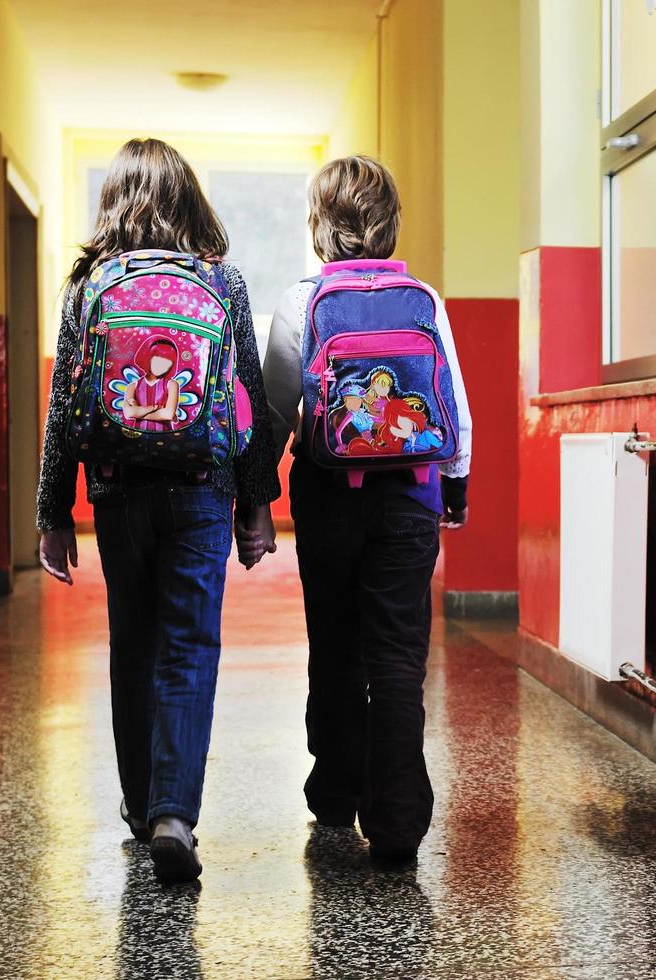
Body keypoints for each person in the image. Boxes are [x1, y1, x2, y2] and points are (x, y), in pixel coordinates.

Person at [36, 138, 279, 884]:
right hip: (201, 486)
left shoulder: (90, 285)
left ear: (114, 204)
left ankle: (141, 807)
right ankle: (176, 812)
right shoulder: (222, 281)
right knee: (188, 644)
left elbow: (65, 406)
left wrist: (54, 509)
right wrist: (255, 503)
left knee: (131, 642)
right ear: (189, 202)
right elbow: (247, 398)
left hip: (117, 488)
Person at [262, 156, 472, 862]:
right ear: (391, 221)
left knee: (334, 643)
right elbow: (452, 406)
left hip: (327, 497)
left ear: (318, 224)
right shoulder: (423, 298)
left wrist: (254, 493)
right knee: (396, 656)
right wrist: (457, 482)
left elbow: (274, 409)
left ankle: (335, 791)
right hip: (409, 497)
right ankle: (399, 820)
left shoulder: (301, 301)